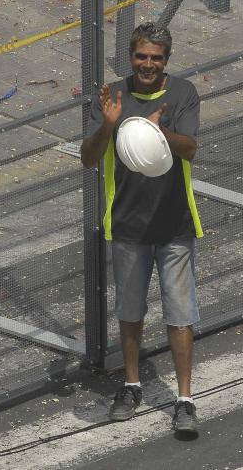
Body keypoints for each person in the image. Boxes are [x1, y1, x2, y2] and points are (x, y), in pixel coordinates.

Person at [80, 22, 203, 433]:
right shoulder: (113, 96)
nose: (148, 64)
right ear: (130, 57)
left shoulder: (182, 93)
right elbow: (87, 158)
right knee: (129, 312)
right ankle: (132, 385)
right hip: (127, 225)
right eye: (141, 56)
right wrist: (108, 125)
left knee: (180, 314)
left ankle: (184, 400)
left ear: (166, 60)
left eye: (156, 57)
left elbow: (190, 148)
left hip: (175, 224)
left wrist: (157, 130)